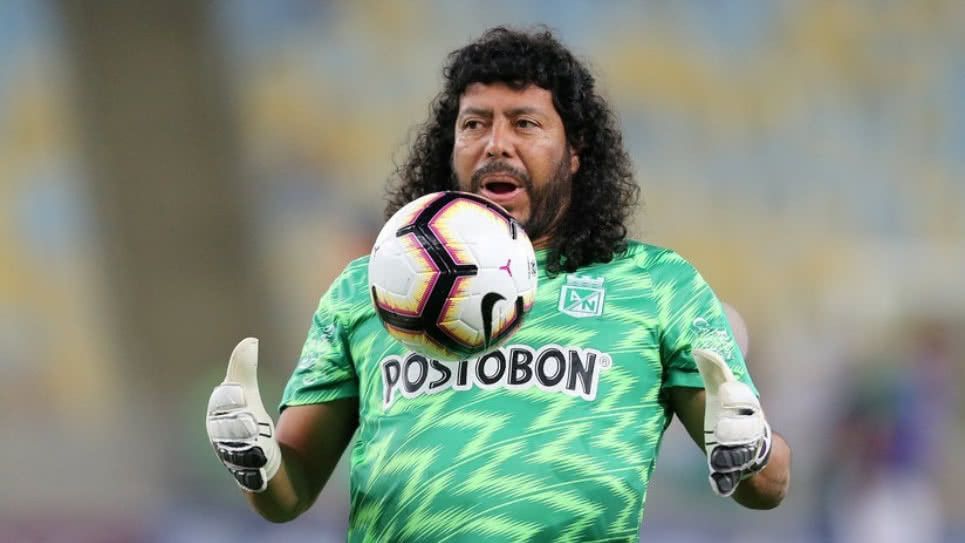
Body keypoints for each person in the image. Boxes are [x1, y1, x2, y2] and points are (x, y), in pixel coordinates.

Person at [206, 26, 790, 541]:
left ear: (575, 151)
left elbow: (766, 486)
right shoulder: (369, 286)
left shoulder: (656, 285)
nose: (496, 143)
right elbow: (288, 493)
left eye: (525, 123)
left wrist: (751, 449)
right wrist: (257, 460)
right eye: (474, 124)